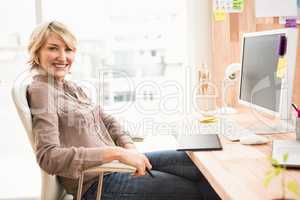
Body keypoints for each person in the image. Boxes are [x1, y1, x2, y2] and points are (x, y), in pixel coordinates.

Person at [27, 21, 220, 200]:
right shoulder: (42, 91)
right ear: (37, 52)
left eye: (68, 49)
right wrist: (116, 153)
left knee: (199, 165)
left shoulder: (70, 87)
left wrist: (129, 150)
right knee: (192, 189)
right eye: (53, 48)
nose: (63, 57)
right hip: (95, 184)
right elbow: (48, 157)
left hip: (116, 167)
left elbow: (108, 121)